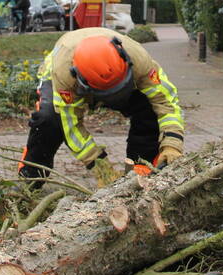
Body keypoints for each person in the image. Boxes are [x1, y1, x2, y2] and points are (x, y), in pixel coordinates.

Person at [18, 27, 185, 187]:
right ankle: (31, 176)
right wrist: (99, 166)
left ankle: (142, 168)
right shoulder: (64, 76)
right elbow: (70, 126)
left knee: (148, 106)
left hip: (117, 76)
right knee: (50, 120)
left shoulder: (139, 58)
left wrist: (172, 143)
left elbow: (165, 101)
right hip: (60, 79)